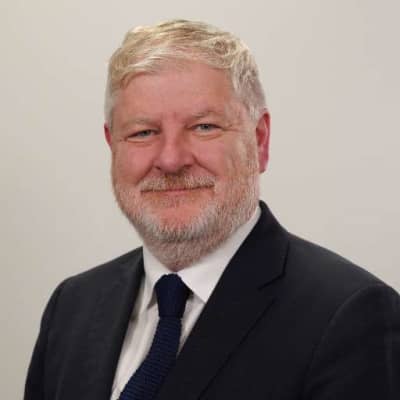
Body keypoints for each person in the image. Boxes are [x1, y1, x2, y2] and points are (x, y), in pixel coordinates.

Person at [25, 19, 400, 400]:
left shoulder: (349, 316)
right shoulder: (72, 308)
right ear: (112, 146)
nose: (171, 160)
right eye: (143, 132)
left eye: (203, 127)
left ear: (260, 140)